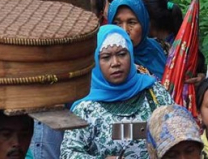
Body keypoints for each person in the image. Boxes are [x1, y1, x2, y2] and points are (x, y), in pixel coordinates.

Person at [61, 25, 173, 159]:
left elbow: (178, 134)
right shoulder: (86, 108)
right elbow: (68, 153)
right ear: (95, 62)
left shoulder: (154, 92)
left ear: (131, 55)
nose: (115, 63)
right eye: (106, 57)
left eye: (122, 54)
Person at [108, 0, 168, 78]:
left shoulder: (160, 48)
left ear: (144, 24)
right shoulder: (107, 63)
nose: (124, 30)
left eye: (131, 22)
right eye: (116, 23)